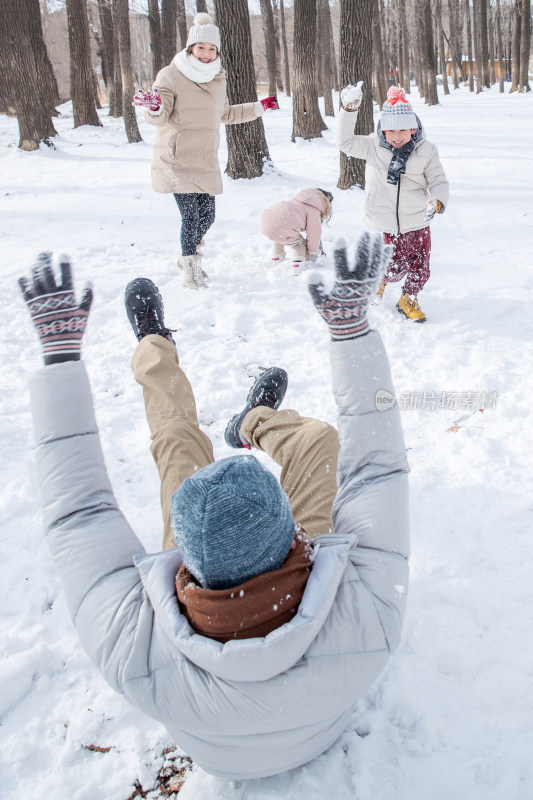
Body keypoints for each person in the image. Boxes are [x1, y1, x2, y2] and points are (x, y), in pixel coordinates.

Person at [19, 233, 409, 780]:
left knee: (179, 441)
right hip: (323, 716)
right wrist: (351, 330)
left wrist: (60, 357)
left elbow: (77, 513)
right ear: (293, 529)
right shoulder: (366, 614)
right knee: (318, 441)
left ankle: (207, 389)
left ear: (186, 559)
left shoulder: (135, 648)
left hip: (216, 738)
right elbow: (379, 469)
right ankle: (235, 405)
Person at [132, 13, 278, 291]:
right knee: (191, 217)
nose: (207, 54)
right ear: (190, 48)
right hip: (177, 158)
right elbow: (159, 116)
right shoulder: (170, 74)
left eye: (212, 49)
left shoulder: (217, 78)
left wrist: (260, 107)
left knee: (208, 216)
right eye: (201, 48)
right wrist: (154, 106)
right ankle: (190, 267)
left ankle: (187, 256)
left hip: (205, 158)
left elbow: (224, 114)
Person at [337, 83, 449, 322]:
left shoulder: (426, 150)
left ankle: (409, 298)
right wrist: (349, 110)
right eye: (391, 132)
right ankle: (379, 281)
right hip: (385, 222)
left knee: (421, 266)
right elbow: (344, 142)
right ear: (383, 132)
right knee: (392, 266)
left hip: (418, 220)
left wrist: (438, 200)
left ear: (413, 128)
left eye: (403, 131)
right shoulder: (371, 146)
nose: (397, 137)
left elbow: (438, 180)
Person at [260, 188, 333, 274]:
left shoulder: (297, 202)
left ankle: (277, 256)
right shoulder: (314, 210)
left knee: (280, 235)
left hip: (266, 222)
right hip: (284, 224)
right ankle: (298, 264)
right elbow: (314, 234)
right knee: (299, 244)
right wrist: (313, 252)